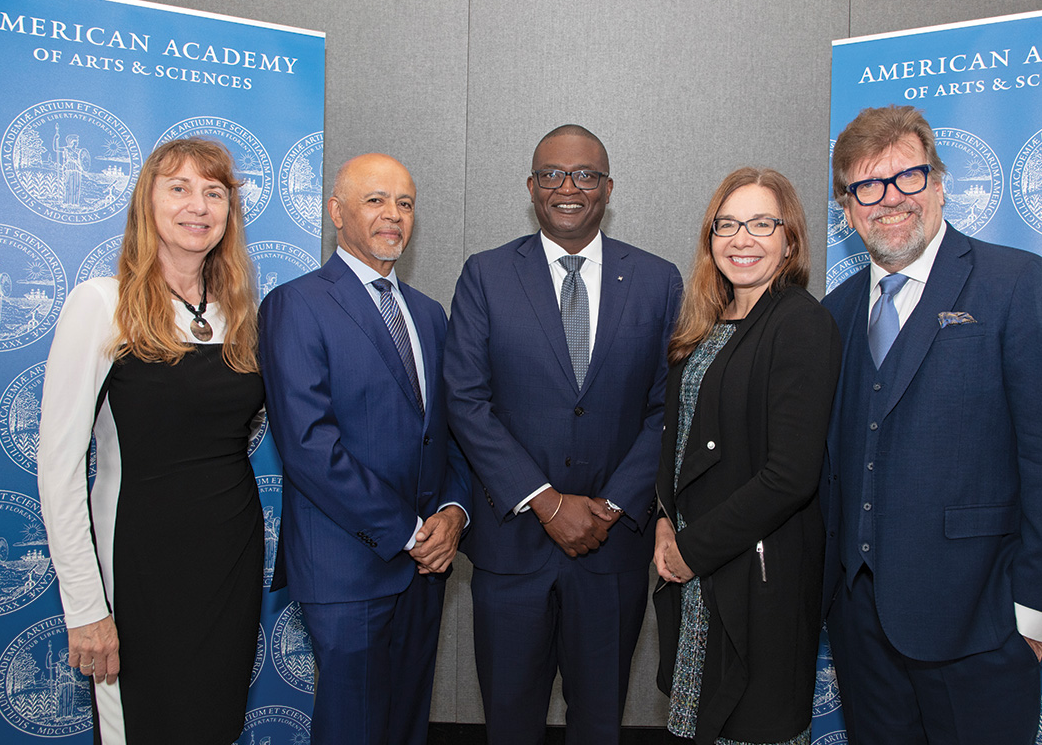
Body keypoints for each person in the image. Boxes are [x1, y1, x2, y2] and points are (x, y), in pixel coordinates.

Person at [821, 105, 1042, 745]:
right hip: (861, 631)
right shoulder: (832, 314)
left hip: (983, 626)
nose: (888, 200)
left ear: (939, 184)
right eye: (866, 186)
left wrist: (1033, 616)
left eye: (907, 178)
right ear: (847, 207)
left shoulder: (1014, 282)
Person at [445, 124, 682, 745]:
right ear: (532, 187)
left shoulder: (658, 281)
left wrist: (608, 505)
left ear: (608, 188)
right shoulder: (486, 275)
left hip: (613, 550)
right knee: (511, 723)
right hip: (513, 546)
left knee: (600, 723)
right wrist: (546, 501)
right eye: (552, 174)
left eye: (585, 175)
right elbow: (467, 401)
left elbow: (669, 409)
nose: (568, 187)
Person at [37, 137, 265, 744]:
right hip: (138, 559)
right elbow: (58, 466)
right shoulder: (101, 304)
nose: (199, 205)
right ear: (148, 203)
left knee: (214, 724)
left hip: (231, 555)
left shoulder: (241, 315)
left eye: (214, 192)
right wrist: (86, 609)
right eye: (180, 188)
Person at [259, 153, 470, 745]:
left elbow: (449, 433)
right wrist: (407, 530)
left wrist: (453, 515)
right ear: (336, 212)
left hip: (427, 569)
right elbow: (307, 446)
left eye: (405, 203)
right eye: (375, 200)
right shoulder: (295, 304)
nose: (393, 216)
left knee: (405, 728)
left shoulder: (428, 314)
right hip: (347, 570)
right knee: (352, 730)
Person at [652, 168, 840, 745]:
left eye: (762, 223)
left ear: (790, 239)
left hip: (756, 577)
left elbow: (790, 476)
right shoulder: (705, 325)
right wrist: (663, 521)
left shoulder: (801, 324)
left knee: (751, 725)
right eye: (728, 224)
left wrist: (692, 550)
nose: (742, 239)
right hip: (695, 577)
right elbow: (675, 437)